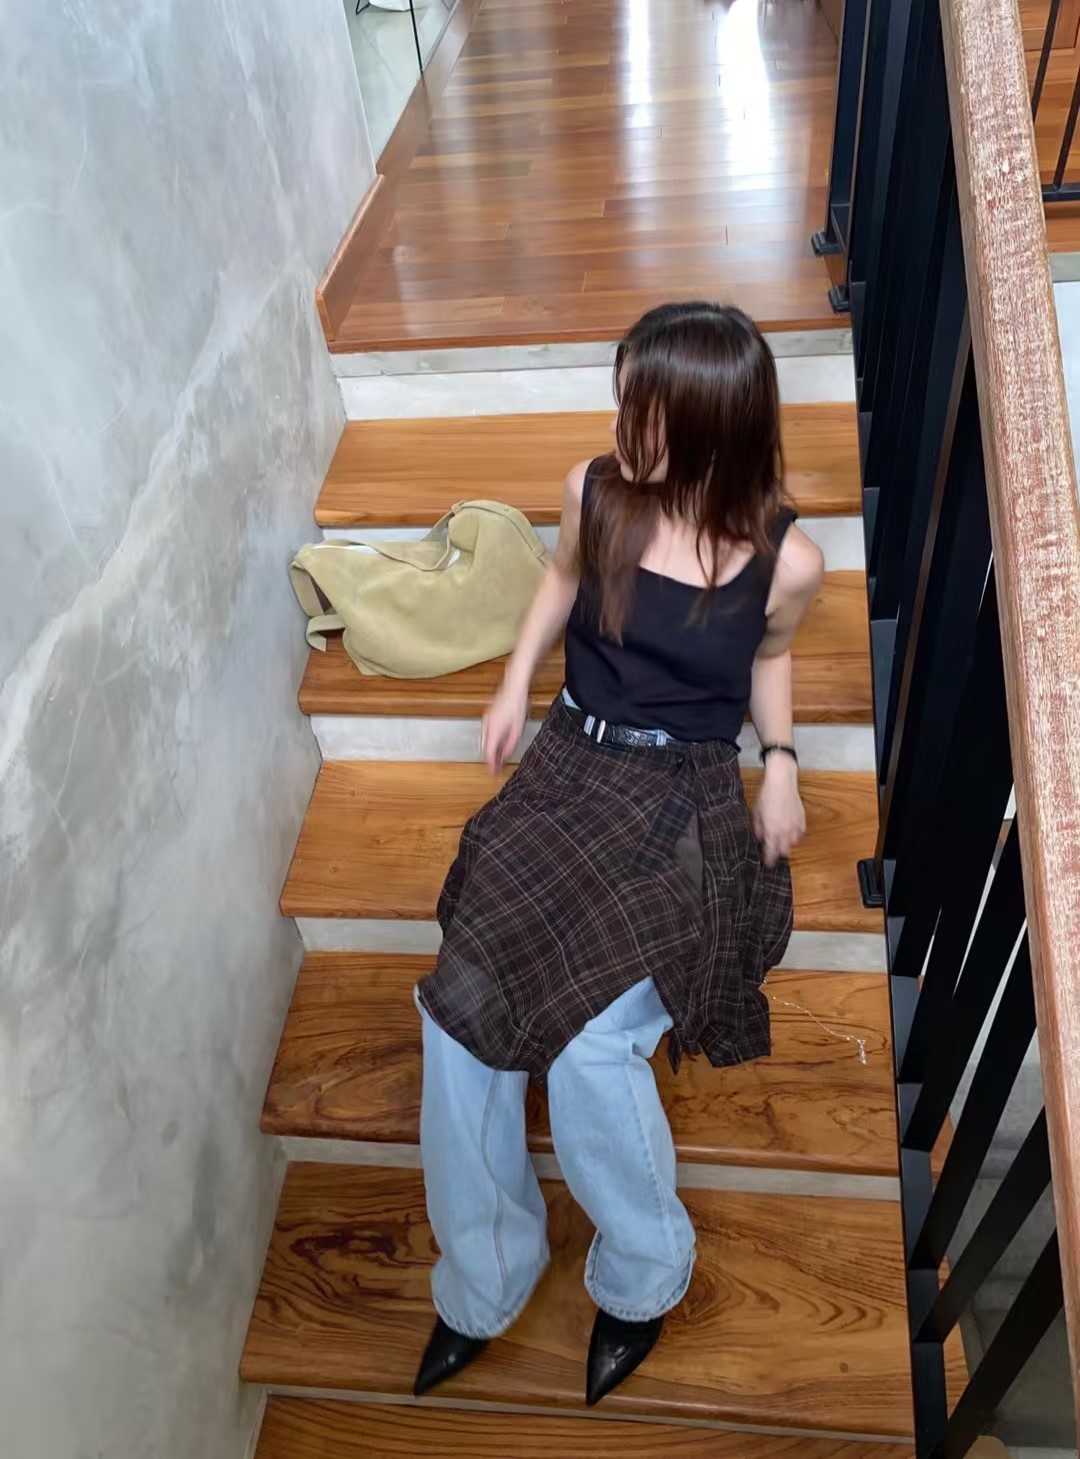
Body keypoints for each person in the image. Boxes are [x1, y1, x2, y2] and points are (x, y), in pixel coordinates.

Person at [412, 301, 825, 1405]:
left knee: (592, 1048)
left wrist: (781, 759)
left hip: (683, 794)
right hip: (571, 764)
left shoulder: (786, 560)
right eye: (621, 403)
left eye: (642, 414)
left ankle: (645, 1273)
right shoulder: (594, 491)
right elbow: (559, 577)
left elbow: (768, 657)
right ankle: (484, 1279)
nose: (617, 431)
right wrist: (514, 682)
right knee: (457, 1006)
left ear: (710, 429)